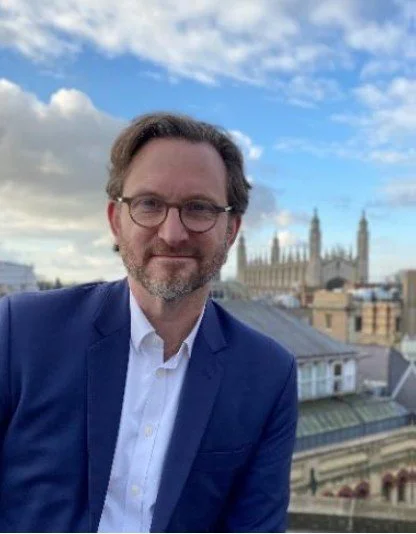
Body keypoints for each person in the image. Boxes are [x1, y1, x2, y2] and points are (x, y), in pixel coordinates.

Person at [0, 112, 298, 532]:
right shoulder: (22, 332)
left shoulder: (268, 374)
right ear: (115, 220)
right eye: (149, 205)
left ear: (231, 230)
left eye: (198, 208)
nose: (173, 233)